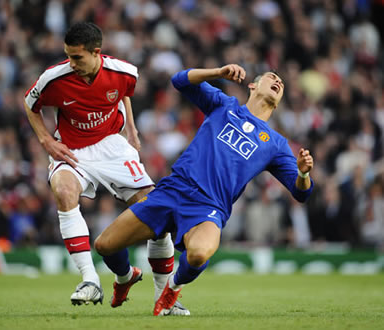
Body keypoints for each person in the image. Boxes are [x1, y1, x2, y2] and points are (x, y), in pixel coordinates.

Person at [94, 64, 314, 315]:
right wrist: (218, 73)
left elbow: (302, 193)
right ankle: (125, 277)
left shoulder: (276, 144)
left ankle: (172, 290)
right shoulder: (225, 106)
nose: (278, 81)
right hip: (173, 191)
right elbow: (179, 80)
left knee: (199, 254)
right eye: (271, 77)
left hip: (209, 207)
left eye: (281, 83)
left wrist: (303, 173)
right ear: (252, 86)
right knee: (104, 245)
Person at [23, 22, 189, 314]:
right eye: (68, 56)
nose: (71, 63)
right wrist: (46, 140)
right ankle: (89, 280)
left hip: (112, 145)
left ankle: (163, 301)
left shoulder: (125, 72)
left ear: (96, 52)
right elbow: (30, 103)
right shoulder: (54, 78)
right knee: (63, 191)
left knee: (156, 213)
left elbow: (123, 92)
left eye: (77, 57)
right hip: (71, 149)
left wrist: (133, 130)